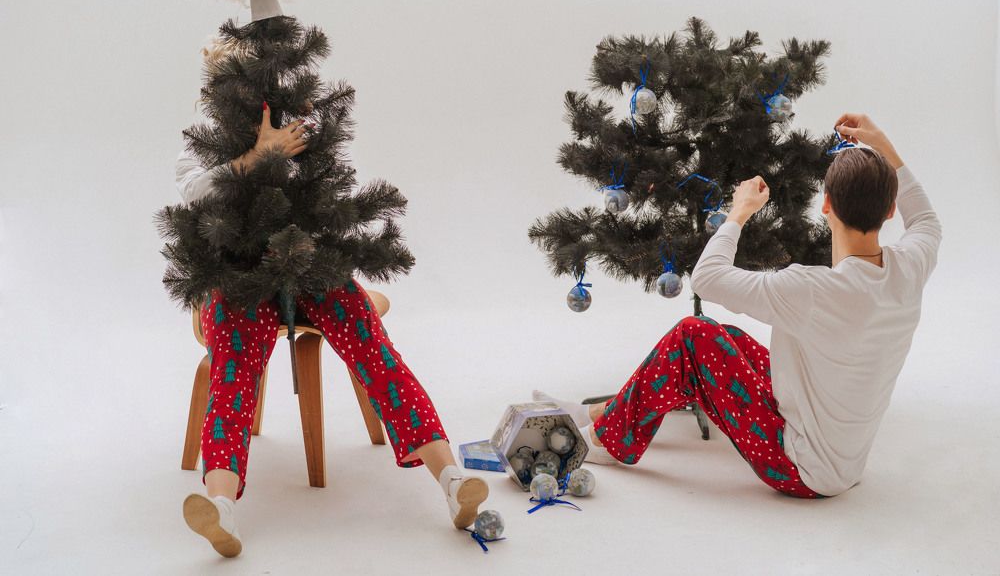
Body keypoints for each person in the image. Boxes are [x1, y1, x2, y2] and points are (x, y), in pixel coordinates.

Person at [536, 113, 940, 498]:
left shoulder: (811, 288)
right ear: (890, 209)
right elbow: (925, 219)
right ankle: (600, 414)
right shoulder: (910, 266)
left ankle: (604, 441)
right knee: (726, 337)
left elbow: (707, 278)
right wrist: (882, 143)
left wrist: (739, 211)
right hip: (845, 463)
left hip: (801, 470)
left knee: (692, 336)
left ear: (826, 205)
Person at [179, 104, 489, 557]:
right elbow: (193, 195)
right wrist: (258, 155)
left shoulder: (299, 115)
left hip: (311, 265)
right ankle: (220, 507)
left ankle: (452, 481)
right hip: (238, 277)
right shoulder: (207, 131)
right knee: (234, 371)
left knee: (375, 353)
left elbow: (327, 191)